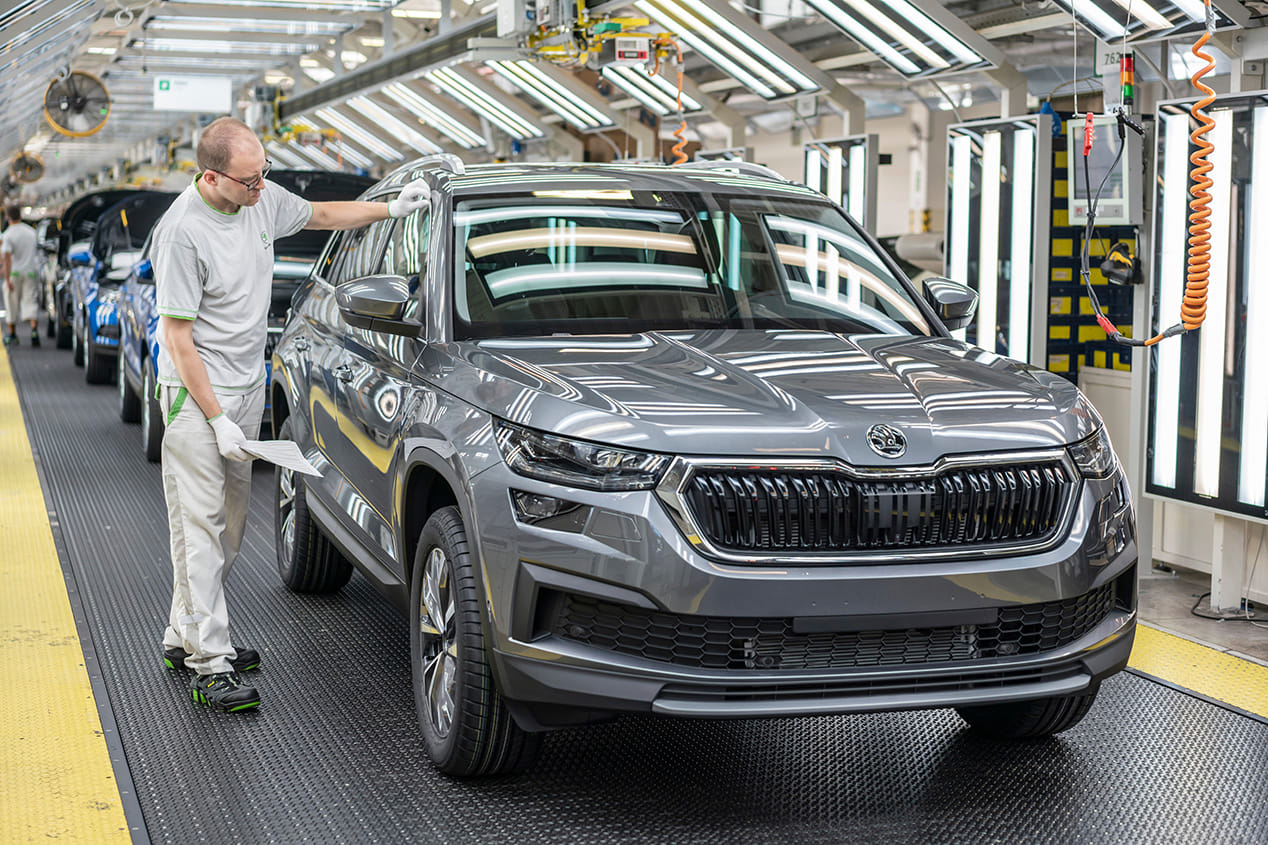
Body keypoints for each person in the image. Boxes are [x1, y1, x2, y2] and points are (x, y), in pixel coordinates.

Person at [151, 116, 430, 712]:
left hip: (245, 388)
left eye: (264, 174)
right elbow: (177, 338)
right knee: (200, 529)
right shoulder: (182, 233)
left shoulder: (259, 200)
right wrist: (216, 418)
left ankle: (183, 633)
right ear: (212, 176)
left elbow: (323, 214)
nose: (261, 187)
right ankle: (210, 662)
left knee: (229, 530)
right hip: (195, 398)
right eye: (250, 180)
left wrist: (391, 209)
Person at [1, 205, 41, 347]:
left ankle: (13, 335)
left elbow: (7, 259)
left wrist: (7, 278)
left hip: (15, 273)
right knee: (31, 300)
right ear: (20, 215)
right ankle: (34, 331)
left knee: (11, 303)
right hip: (31, 271)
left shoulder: (8, 234)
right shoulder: (31, 232)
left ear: (7, 217)